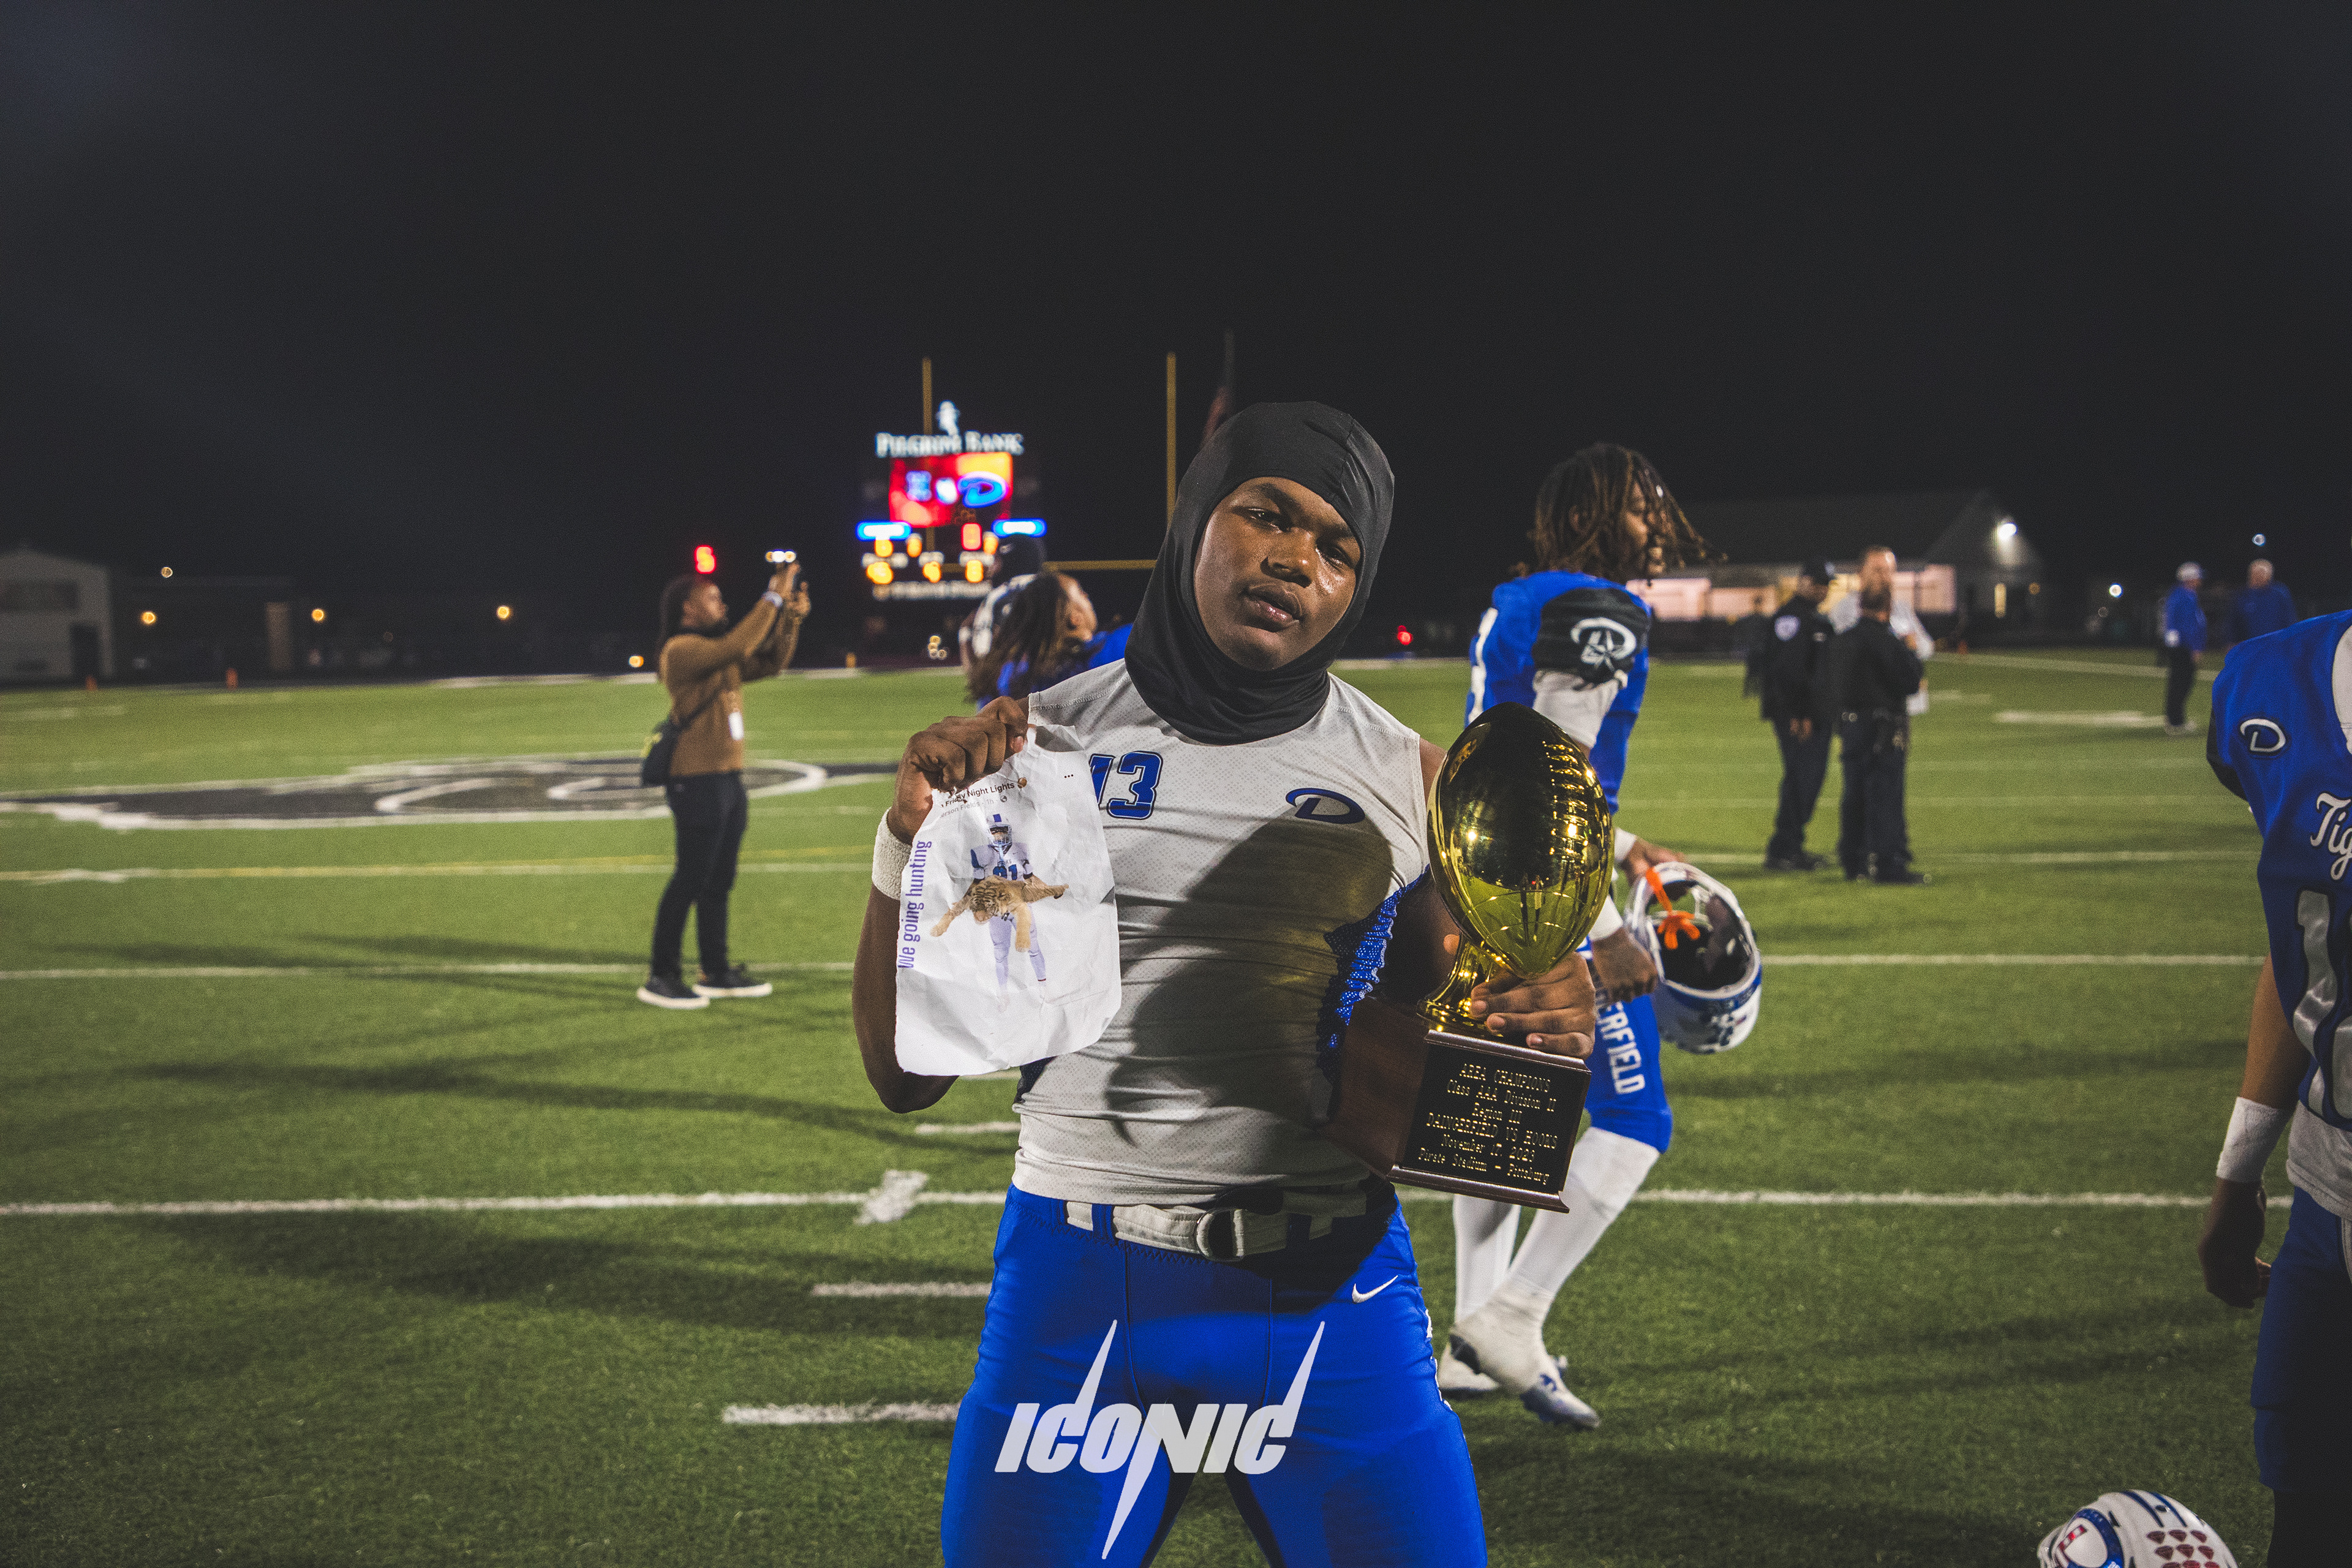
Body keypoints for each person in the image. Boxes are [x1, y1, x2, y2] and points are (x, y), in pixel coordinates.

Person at [854, 402, 1598, 1566]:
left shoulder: (1418, 780)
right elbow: (907, 1080)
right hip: (1079, 1283)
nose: (1298, 559)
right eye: (1267, 515)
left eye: (1338, 548)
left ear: (1358, 585)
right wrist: (907, 849)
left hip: (1333, 1296)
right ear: (1196, 516)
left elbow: (1481, 1104)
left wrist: (1549, 1014)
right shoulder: (1037, 749)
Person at [1451, 442, 1706, 1427]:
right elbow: (1548, 778)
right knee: (1636, 1118)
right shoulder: (1600, 608)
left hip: (1479, 876)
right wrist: (1595, 937)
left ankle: (1470, 1341)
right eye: (1640, 505)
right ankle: (1513, 1314)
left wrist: (1630, 847)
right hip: (1538, 890)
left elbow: (1514, 758)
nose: (1657, 521)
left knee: (1503, 1113)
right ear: (1592, 516)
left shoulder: (1528, 598)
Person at [2196, 607, 2352, 1567]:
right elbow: (2306, 953)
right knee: (2307, 1514)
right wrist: (2238, 1171)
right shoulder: (2274, 686)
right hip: (2326, 1194)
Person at [635, 560, 809, 1009]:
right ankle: (661, 975)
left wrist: (790, 619)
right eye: (712, 598)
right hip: (696, 780)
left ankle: (715, 969)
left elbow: (771, 663)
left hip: (728, 779)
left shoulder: (716, 654)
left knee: (719, 880)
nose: (722, 604)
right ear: (688, 608)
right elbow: (740, 644)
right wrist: (774, 595)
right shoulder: (681, 650)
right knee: (690, 878)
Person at [1826, 585, 1925, 884]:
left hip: (1852, 726)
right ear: (1888, 609)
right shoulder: (1889, 642)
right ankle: (1887, 863)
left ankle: (1852, 861)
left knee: (1853, 793)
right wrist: (1911, 651)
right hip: (1885, 728)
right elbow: (1912, 681)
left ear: (1860, 607)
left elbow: (1830, 685)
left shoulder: (1843, 641)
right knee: (1885, 795)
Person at [1754, 558, 1838, 872]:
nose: (1823, 590)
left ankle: (1792, 846)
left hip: (1815, 713)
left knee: (1809, 778)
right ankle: (1783, 849)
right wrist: (1798, 714)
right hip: (1800, 716)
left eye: (1826, 584)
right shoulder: (1791, 619)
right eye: (1818, 583)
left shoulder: (1815, 619)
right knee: (1803, 778)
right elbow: (1786, 672)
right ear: (1803, 582)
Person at [963, 570, 1131, 708]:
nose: (1086, 595)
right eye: (1080, 592)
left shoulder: (1010, 678)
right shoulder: (1112, 650)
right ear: (1074, 618)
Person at [1826, 545, 1931, 714]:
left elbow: (1927, 646)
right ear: (1861, 573)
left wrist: (1910, 646)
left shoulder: (1901, 607)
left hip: (1895, 707)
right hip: (1860, 708)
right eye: (1877, 570)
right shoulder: (1845, 608)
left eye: (1889, 571)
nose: (1883, 577)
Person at [958, 533, 1047, 669]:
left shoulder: (1000, 597)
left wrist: (964, 635)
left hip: (1012, 676)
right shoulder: (1059, 589)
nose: (992, 568)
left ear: (1011, 560)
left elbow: (983, 658)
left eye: (997, 560)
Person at [2162, 562, 2207, 736]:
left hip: (2181, 645)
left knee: (2182, 683)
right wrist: (2193, 647)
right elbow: (2186, 625)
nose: (2200, 580)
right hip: (2182, 646)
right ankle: (2175, 721)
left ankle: (2177, 719)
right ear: (2189, 579)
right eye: (2197, 577)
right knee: (2181, 683)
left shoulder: (2186, 595)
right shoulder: (2182, 596)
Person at [2230, 558, 2297, 644]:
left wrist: (2291, 639)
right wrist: (2231, 641)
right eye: (2257, 572)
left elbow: (2290, 619)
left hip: (2276, 643)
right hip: (2250, 644)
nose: (2260, 575)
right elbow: (2233, 621)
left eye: (2263, 572)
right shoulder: (2242, 596)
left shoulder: (2280, 594)